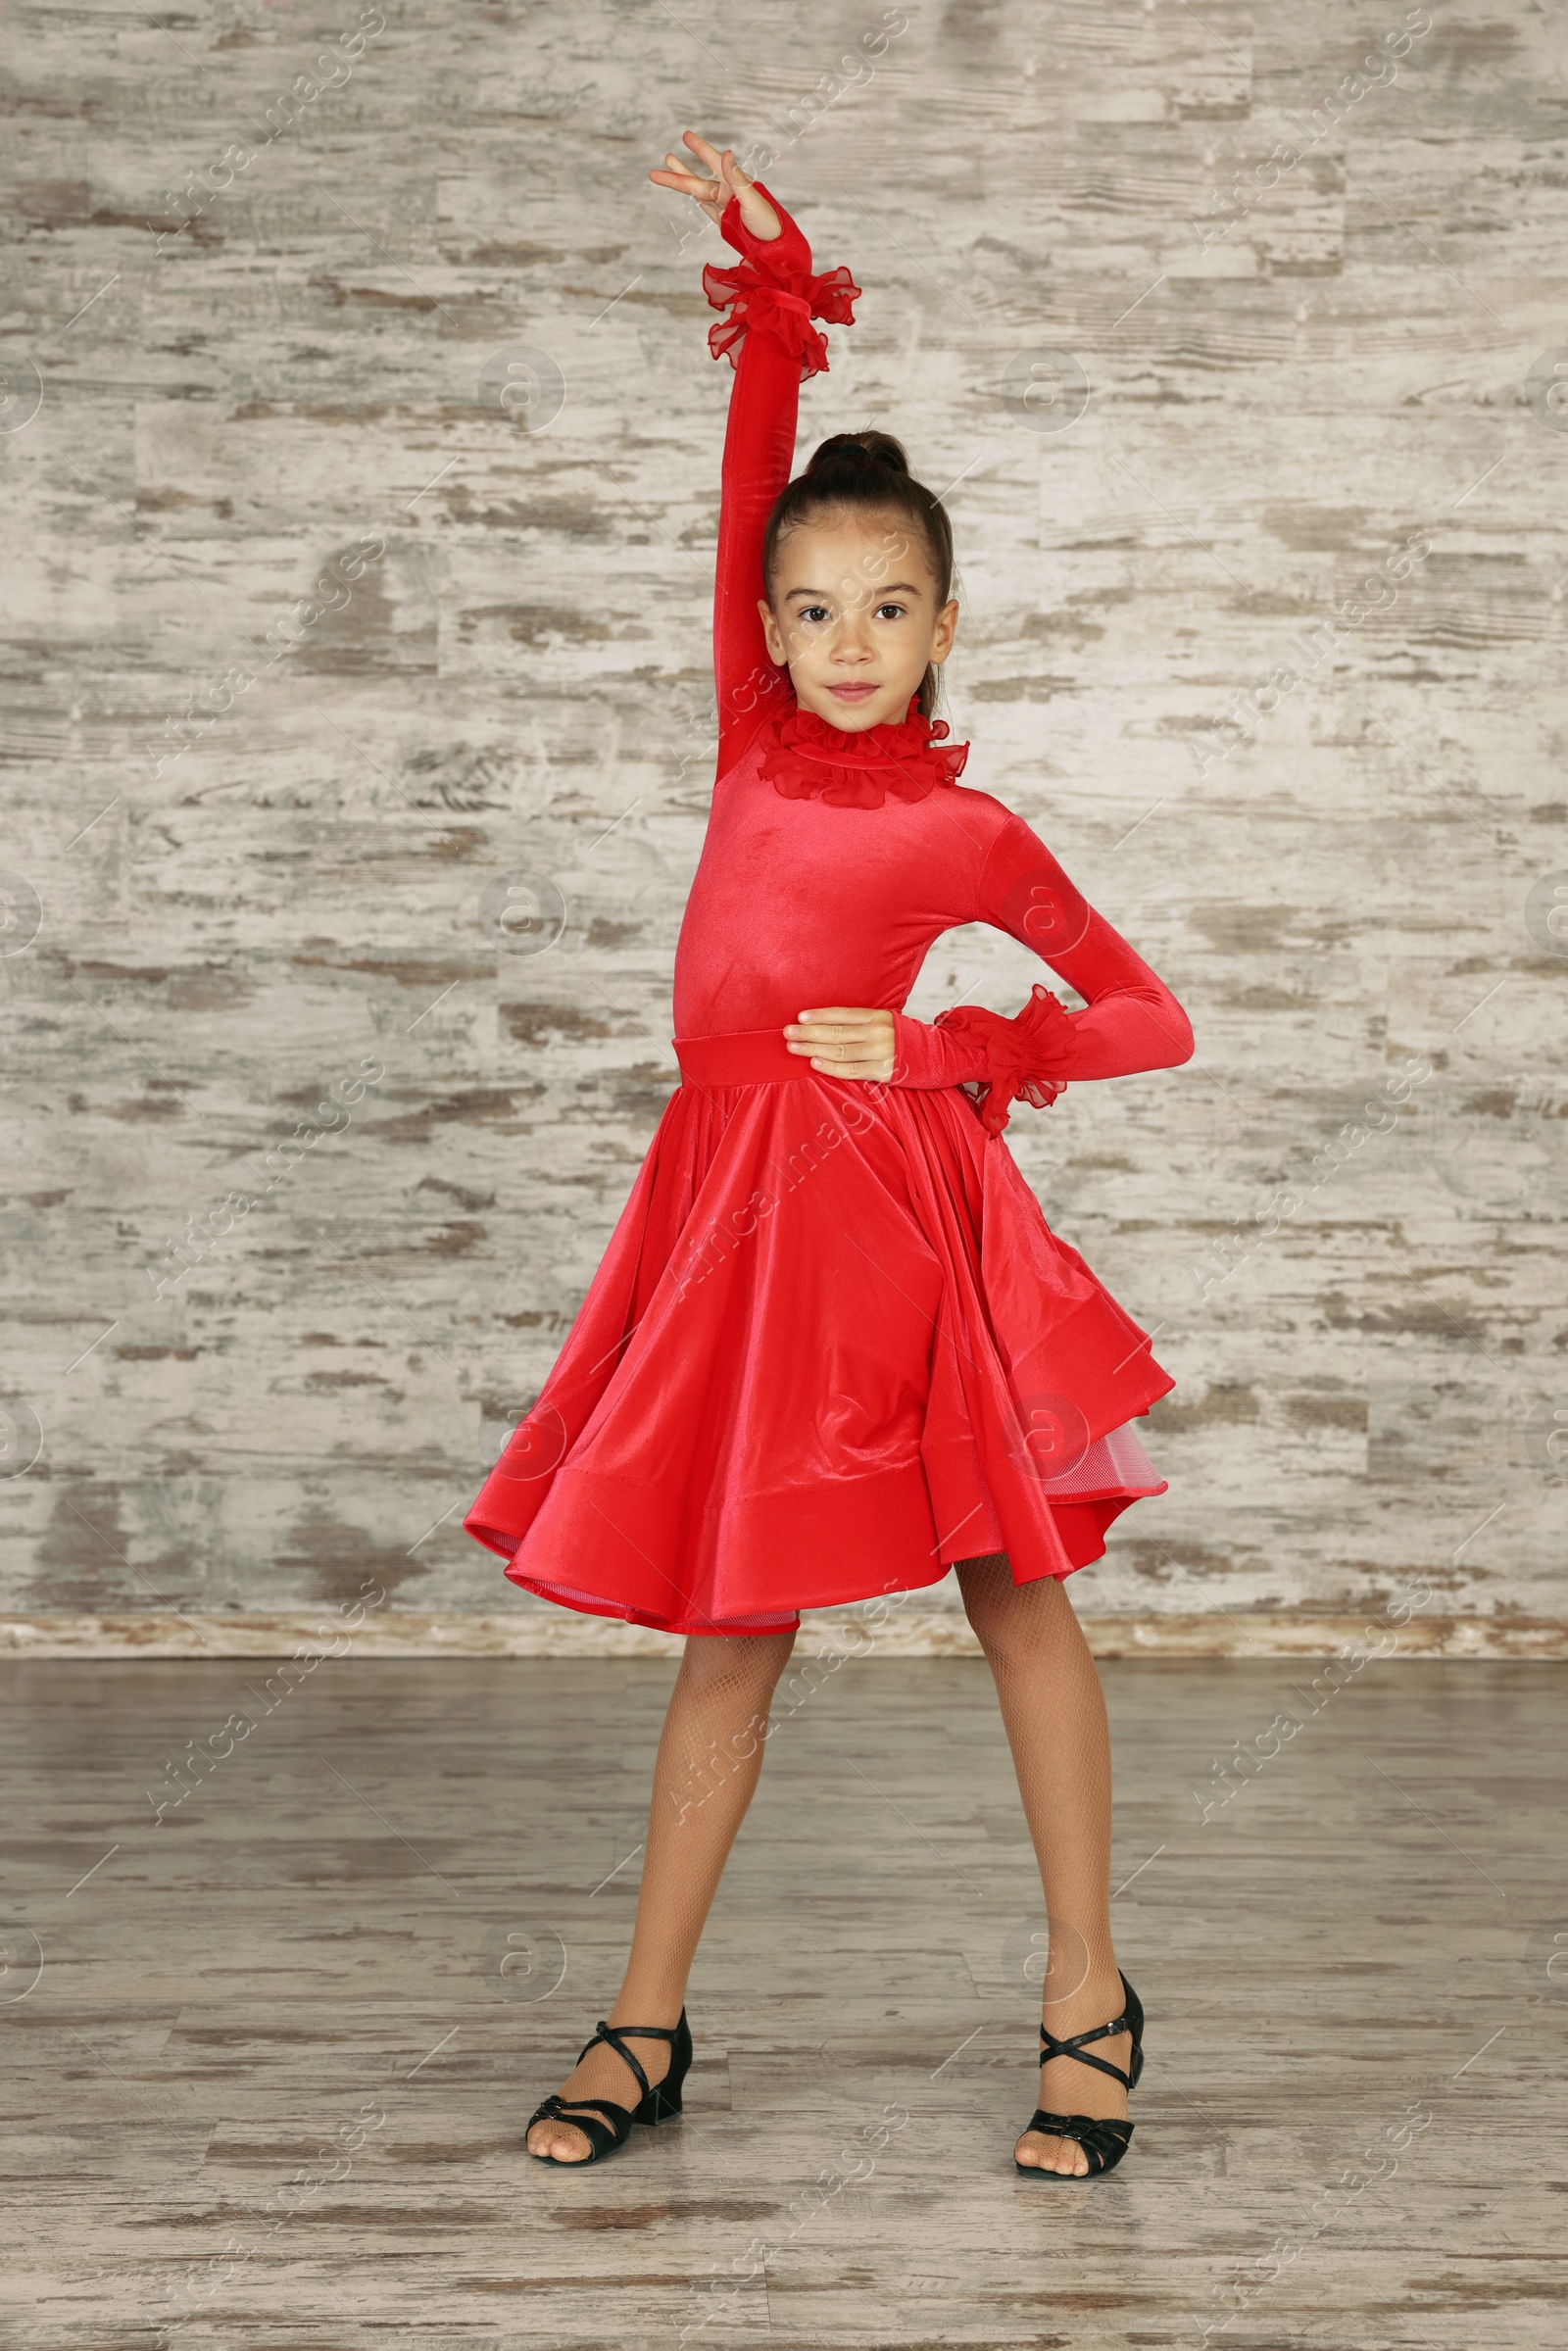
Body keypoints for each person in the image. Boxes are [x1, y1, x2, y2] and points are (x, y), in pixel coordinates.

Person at [464, 131, 1195, 2180]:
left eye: (885, 605)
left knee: (1012, 1592)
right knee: (730, 1621)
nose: (843, 635)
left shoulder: (960, 833)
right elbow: (741, 489)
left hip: (898, 1229)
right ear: (767, 628)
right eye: (809, 606)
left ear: (942, 621)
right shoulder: (740, 735)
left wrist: (957, 1043)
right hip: (735, 1231)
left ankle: (1083, 1998)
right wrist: (771, 299)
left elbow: (1149, 1016)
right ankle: (644, 2018)